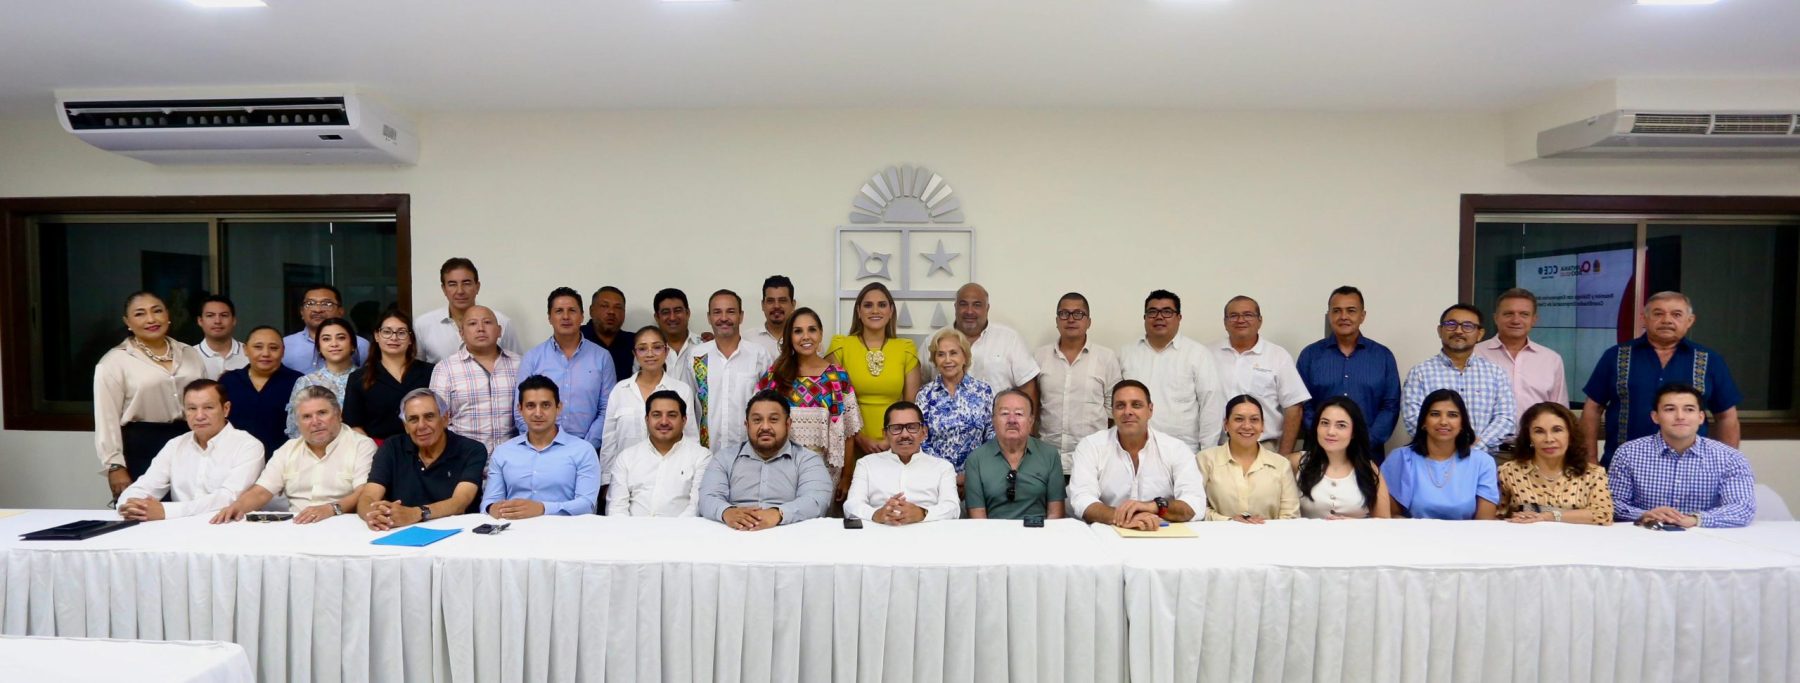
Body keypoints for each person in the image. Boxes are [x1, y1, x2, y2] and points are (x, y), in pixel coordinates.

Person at [1581, 292, 1742, 466]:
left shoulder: (1709, 360)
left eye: (1676, 314)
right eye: (1658, 314)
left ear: (1690, 321)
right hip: (1622, 468)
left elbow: (1726, 417)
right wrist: (1589, 462)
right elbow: (1592, 410)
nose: (1667, 320)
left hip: (1692, 470)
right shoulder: (1615, 356)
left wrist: (1725, 465)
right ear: (1644, 318)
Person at [95, 291, 209, 498]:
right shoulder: (114, 362)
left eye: (157, 311)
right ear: (127, 322)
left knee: (196, 507)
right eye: (140, 314)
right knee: (146, 509)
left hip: (191, 441)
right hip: (143, 445)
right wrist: (115, 465)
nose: (151, 319)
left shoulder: (189, 353)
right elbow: (107, 418)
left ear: (167, 315)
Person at [211, 385, 376, 523]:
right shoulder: (288, 449)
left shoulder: (361, 445)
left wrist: (330, 509)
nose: (315, 422)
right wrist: (236, 507)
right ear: (297, 422)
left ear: (339, 414)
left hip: (344, 524)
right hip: (297, 526)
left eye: (322, 413)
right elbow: (261, 491)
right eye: (306, 416)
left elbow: (364, 492)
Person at [1608, 383, 1757, 528]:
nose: (1680, 416)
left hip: (1705, 538)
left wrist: (1694, 519)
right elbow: (1613, 504)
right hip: (1645, 535)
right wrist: (1645, 514)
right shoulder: (1628, 453)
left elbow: (1742, 508)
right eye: (1670, 409)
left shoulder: (1730, 458)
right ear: (1655, 417)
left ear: (1701, 417)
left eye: (1689, 409)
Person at [115, 379, 264, 521]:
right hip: (178, 528)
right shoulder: (175, 445)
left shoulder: (248, 446)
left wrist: (167, 511)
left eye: (208, 407)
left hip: (228, 527)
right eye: (192, 408)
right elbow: (145, 486)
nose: (199, 416)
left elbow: (229, 498)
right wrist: (131, 505)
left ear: (226, 409)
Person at [1068, 380, 1207, 531]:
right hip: (1108, 532)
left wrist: (1154, 506)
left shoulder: (1176, 449)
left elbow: (1195, 504)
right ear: (1112, 412)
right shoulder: (1091, 446)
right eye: (1120, 406)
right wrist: (1124, 518)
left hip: (1162, 533)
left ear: (1150, 410)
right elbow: (1082, 499)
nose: (1128, 411)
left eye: (1136, 405)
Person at [756, 308, 863, 500]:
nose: (806, 336)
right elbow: (758, 423)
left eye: (812, 330)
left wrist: (846, 477)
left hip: (824, 473)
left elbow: (848, 433)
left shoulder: (836, 377)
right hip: (780, 470)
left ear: (820, 334)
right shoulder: (775, 376)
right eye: (798, 331)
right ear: (789, 337)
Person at [697, 390, 833, 530]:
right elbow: (708, 497)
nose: (765, 427)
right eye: (757, 420)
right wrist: (727, 512)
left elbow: (817, 500)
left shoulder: (808, 460)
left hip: (788, 535)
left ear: (788, 424)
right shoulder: (724, 458)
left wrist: (778, 514)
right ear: (747, 425)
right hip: (735, 533)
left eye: (773, 419)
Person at [357, 388, 487, 530]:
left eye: (429, 416)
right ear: (406, 426)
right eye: (413, 419)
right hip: (400, 533)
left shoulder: (472, 450)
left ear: (445, 419)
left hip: (458, 532)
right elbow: (368, 496)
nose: (421, 426)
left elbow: (460, 503)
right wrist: (374, 515)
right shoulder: (391, 448)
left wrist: (416, 513)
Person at [1297, 286, 1401, 457]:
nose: (1343, 316)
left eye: (1351, 310)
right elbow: (1303, 405)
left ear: (1362, 316)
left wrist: (1366, 441)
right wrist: (1324, 437)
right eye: (1337, 311)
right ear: (1329, 315)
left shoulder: (1382, 356)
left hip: (1368, 454)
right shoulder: (1310, 355)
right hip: (1319, 453)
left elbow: (1390, 406)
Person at [481, 375, 602, 518]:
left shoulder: (583, 450)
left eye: (545, 405)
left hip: (565, 529)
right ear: (520, 409)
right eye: (530, 406)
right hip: (513, 528)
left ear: (558, 408)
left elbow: (587, 505)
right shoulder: (503, 452)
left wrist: (543, 509)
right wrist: (493, 508)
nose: (538, 413)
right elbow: (488, 503)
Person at [1119, 289, 1225, 452]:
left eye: (1167, 312)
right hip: (1134, 449)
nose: (1159, 317)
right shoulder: (1126, 354)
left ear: (1179, 317)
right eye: (1152, 312)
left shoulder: (1198, 354)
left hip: (1183, 451)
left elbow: (1211, 405)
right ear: (1145, 317)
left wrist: (1207, 453)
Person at [1401, 304, 1516, 451]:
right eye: (1451, 324)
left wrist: (1475, 448)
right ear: (1440, 331)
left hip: (1484, 458)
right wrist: (1447, 448)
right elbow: (1413, 418)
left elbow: (1505, 418)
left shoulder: (1496, 374)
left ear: (1480, 334)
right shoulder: (1420, 373)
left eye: (1468, 326)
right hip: (1433, 458)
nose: (1458, 331)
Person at [829, 282, 921, 461]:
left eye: (882, 305)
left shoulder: (906, 348)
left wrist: (890, 440)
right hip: (849, 443)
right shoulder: (841, 346)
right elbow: (833, 404)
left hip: (896, 444)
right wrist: (859, 438)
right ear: (858, 311)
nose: (875, 310)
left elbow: (911, 407)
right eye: (868, 305)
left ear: (891, 311)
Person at [516, 287, 617, 451]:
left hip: (588, 449)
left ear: (582, 316)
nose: (565, 317)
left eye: (572, 310)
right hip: (540, 450)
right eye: (559, 311)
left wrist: (585, 447)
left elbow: (607, 409)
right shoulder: (533, 358)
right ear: (549, 317)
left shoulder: (602, 357)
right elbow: (520, 409)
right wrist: (541, 444)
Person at [600, 326, 700, 490]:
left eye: (657, 347)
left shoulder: (681, 391)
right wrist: (606, 482)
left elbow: (690, 438)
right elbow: (609, 440)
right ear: (634, 354)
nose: (650, 354)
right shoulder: (620, 390)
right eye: (642, 348)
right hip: (626, 480)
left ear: (666, 351)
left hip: (672, 480)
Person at [1034, 292, 1122, 475]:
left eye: (1078, 314)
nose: (1071, 319)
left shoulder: (1106, 358)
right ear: (1057, 320)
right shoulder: (1039, 356)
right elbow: (1033, 406)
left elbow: (1112, 408)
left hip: (1092, 459)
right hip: (1047, 457)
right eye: (1064, 313)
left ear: (1089, 321)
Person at [1210, 296, 1310, 454]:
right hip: (1218, 447)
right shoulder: (1208, 354)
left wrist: (1283, 456)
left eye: (1248, 315)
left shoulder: (1278, 356)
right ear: (1225, 322)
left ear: (1260, 321)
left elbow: (1294, 408)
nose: (1240, 320)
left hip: (1265, 446)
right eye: (1234, 315)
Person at [1381, 389, 1499, 520]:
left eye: (1452, 415)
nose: (1443, 421)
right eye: (1435, 414)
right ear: (1423, 422)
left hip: (1468, 533)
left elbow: (1484, 522)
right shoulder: (1400, 458)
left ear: (1462, 424)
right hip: (1412, 532)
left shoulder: (1483, 462)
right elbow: (1389, 516)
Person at [690, 289, 778, 451]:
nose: (724, 318)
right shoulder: (696, 356)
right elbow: (687, 407)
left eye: (730, 311)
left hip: (750, 452)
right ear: (709, 317)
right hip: (706, 453)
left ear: (741, 316)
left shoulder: (759, 355)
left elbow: (770, 405)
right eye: (717, 312)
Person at [844, 401, 961, 524]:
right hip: (879, 531)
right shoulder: (866, 464)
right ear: (885, 434)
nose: (905, 434)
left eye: (912, 427)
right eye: (896, 428)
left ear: (924, 432)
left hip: (928, 532)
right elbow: (851, 505)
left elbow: (953, 508)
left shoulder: (943, 467)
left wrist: (923, 513)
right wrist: (875, 514)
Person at [1498, 402, 1613, 525]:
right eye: (1539, 431)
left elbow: (1604, 515)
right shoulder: (1508, 472)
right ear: (1529, 437)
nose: (1549, 439)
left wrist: (1549, 516)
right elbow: (1494, 517)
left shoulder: (1594, 474)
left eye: (1557, 430)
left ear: (1570, 435)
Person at [1473, 288, 1568, 436]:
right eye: (1508, 314)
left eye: (1524, 314)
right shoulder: (1474, 354)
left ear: (1534, 319)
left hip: (1536, 445)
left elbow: (1559, 412)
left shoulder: (1551, 360)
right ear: (1496, 318)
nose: (1516, 320)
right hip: (1485, 444)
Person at [429, 305, 521, 453]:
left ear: (499, 331)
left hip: (512, 457)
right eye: (472, 323)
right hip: (464, 458)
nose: (480, 329)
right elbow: (437, 420)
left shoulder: (520, 364)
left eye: (487, 322)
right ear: (461, 333)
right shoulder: (445, 369)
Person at [963, 390, 1068, 520]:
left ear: (1031, 421)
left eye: (1019, 414)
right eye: (1004, 413)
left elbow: (1056, 515)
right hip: (993, 531)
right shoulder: (976, 459)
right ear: (993, 420)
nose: (1012, 420)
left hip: (1039, 530)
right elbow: (977, 519)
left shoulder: (1049, 455)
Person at [607, 390, 713, 517]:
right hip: (632, 529)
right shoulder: (626, 458)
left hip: (682, 529)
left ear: (684, 420)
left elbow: (695, 508)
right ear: (647, 420)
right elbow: (617, 509)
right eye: (656, 415)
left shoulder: (701, 457)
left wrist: (673, 530)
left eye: (672, 415)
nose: (664, 422)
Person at [1196, 395, 1300, 522]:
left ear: (1262, 426)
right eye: (1239, 419)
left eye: (1254, 420)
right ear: (1226, 424)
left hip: (1269, 534)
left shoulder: (1281, 464)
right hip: (1219, 533)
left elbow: (1291, 516)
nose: (1247, 426)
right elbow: (1196, 507)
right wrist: (1229, 521)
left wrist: (1264, 528)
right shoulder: (1205, 460)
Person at [343, 306, 434, 442]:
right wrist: (373, 449)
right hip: (379, 448)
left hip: (426, 445)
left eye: (401, 333)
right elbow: (354, 425)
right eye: (387, 332)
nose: (394, 337)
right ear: (377, 336)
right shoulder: (358, 378)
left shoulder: (430, 372)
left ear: (410, 339)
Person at [1290, 397, 1391, 519]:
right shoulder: (1296, 462)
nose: (1331, 432)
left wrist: (1355, 524)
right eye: (1324, 423)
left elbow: (1384, 522)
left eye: (1341, 425)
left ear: (1354, 432)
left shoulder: (1369, 469)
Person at [916, 327, 996, 474]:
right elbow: (921, 440)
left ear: (965, 357)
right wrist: (947, 474)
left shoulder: (983, 391)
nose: (947, 360)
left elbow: (991, 435)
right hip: (935, 475)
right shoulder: (924, 394)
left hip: (977, 474)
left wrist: (973, 474)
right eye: (941, 354)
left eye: (953, 353)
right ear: (935, 360)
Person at [415, 258, 522, 363]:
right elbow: (416, 368)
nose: (460, 291)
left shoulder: (502, 321)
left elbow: (516, 365)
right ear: (444, 289)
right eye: (452, 284)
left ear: (477, 287)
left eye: (466, 283)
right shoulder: (423, 324)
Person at [949, 283, 1040, 404]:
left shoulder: (1010, 339)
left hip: (999, 416)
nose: (969, 311)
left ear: (987, 308)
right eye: (963, 304)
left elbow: (1028, 388)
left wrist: (1029, 416)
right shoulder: (935, 340)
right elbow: (926, 383)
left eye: (977, 305)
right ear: (955, 307)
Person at [220, 326, 304, 457]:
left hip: (284, 459)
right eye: (258, 347)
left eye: (273, 348)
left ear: (283, 351)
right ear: (245, 349)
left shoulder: (299, 382)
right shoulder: (229, 381)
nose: (265, 353)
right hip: (235, 458)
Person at [285, 317, 359, 439]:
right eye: (326, 339)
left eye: (341, 338)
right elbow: (295, 429)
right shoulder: (306, 382)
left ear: (353, 345)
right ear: (319, 347)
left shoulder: (368, 378)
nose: (334, 344)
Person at [280, 284, 371, 373]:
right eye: (310, 303)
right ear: (302, 312)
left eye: (327, 304)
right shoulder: (284, 345)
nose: (318, 310)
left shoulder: (360, 345)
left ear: (340, 311)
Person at [653, 288, 706, 386]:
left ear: (688, 313)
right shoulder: (646, 352)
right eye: (665, 312)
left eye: (677, 311)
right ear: (657, 317)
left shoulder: (704, 346)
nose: (672, 317)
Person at [581, 286, 637, 377]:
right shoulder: (576, 338)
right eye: (604, 306)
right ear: (591, 311)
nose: (611, 312)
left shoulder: (635, 343)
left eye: (618, 307)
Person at [194, 294, 247, 377]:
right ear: (200, 321)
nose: (217, 321)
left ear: (234, 320)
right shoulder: (190, 355)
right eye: (210, 316)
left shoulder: (249, 353)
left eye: (224, 315)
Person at [756, 275, 796, 350]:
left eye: (782, 300)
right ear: (763, 305)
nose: (776, 306)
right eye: (770, 301)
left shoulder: (804, 339)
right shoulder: (747, 339)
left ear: (793, 305)